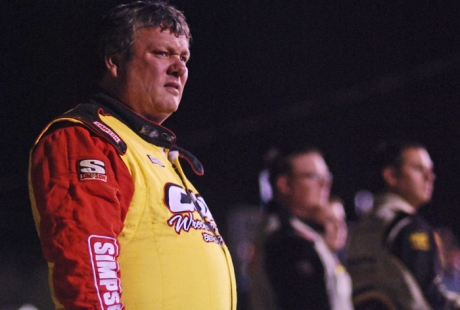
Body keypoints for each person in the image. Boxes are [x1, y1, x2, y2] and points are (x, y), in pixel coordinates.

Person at [28, 1, 237, 309]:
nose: (179, 68)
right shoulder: (87, 139)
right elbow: (87, 269)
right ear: (114, 61)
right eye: (162, 53)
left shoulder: (152, 150)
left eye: (184, 57)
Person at [346, 140, 460, 310]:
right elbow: (429, 296)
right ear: (391, 176)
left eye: (430, 170)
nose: (430, 177)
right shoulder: (409, 226)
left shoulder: (363, 226)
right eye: (419, 168)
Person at [249, 145, 354, 310]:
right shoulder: (287, 241)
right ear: (284, 185)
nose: (325, 184)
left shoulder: (292, 232)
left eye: (327, 176)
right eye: (314, 176)